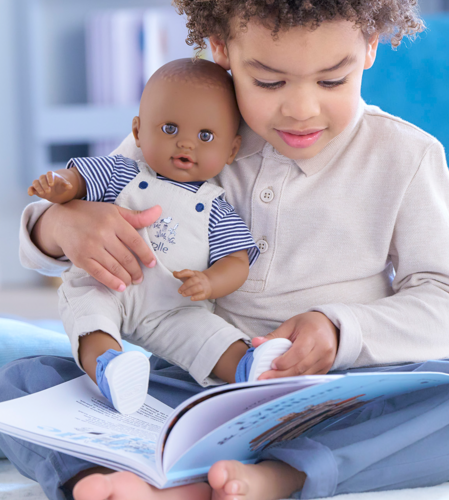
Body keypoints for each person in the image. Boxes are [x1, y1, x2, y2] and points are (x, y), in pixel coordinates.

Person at [0, 0, 449, 500]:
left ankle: (270, 475)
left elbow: (447, 303)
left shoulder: (406, 157)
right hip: (187, 383)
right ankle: (119, 472)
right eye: (268, 79)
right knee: (17, 384)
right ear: (220, 49)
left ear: (369, 44)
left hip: (335, 398)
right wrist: (64, 225)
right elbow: (58, 232)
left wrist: (338, 331)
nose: (301, 108)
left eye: (331, 78)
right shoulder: (188, 129)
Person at [26, 58, 289, 415]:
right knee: (89, 317)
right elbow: (80, 181)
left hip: (175, 304)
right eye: (169, 128)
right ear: (137, 131)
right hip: (106, 283)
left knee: (205, 334)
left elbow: (237, 261)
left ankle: (248, 365)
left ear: (231, 150)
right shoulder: (122, 171)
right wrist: (60, 187)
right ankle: (110, 367)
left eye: (205, 136)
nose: (185, 144)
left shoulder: (217, 208)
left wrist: (210, 282)